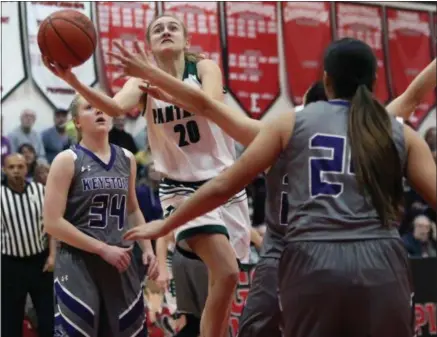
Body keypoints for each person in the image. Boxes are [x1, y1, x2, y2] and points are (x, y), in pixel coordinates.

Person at [108, 37, 435, 335]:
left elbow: (217, 155)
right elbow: (413, 96)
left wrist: (168, 222)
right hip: (381, 258)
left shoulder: (289, 126)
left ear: (326, 80)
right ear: (375, 83)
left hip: (309, 255)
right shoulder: (391, 130)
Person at [42, 14, 251, 337]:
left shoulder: (205, 68)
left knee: (228, 279)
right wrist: (73, 80)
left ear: (187, 40)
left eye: (173, 27)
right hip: (182, 189)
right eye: (158, 29)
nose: (166, 31)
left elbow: (207, 105)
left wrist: (153, 75)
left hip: (225, 184)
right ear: (150, 45)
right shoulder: (140, 83)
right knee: (224, 272)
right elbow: (113, 108)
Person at [43, 94, 159, 337]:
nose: (99, 111)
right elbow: (52, 223)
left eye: (103, 107)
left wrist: (148, 249)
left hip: (121, 261)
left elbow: (133, 209)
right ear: (76, 121)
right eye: (89, 107)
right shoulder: (66, 160)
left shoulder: (127, 158)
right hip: (79, 263)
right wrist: (101, 249)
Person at [1, 153, 55, 337]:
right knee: (10, 317)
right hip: (11, 263)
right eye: (11, 167)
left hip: (40, 261)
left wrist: (53, 256)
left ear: (27, 168)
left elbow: (51, 226)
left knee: (47, 315)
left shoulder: (41, 191)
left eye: (20, 166)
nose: (16, 171)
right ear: (4, 169)